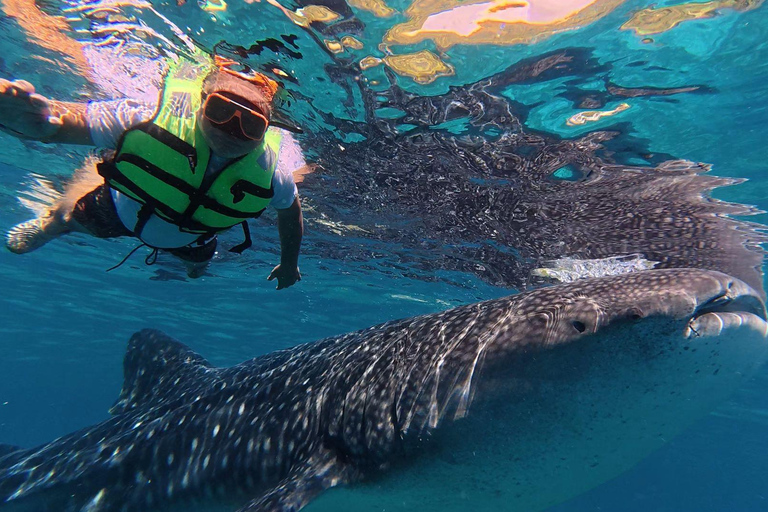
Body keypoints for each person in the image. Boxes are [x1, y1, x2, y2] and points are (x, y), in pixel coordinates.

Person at [0, 57, 304, 289]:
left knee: (198, 269)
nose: (231, 130)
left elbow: (291, 212)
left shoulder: (272, 173)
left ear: (266, 130)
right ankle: (47, 227)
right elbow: (67, 125)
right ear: (200, 105)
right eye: (220, 111)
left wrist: (289, 264)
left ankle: (190, 268)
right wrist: (38, 124)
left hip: (192, 238)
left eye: (250, 124)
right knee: (66, 220)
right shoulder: (149, 119)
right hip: (120, 208)